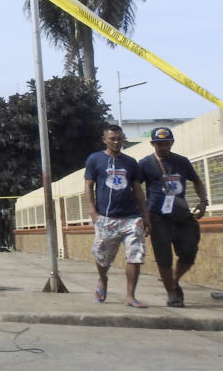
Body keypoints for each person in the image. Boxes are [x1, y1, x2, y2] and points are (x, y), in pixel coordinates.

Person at [138, 127, 209, 307]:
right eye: (160, 143)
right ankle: (172, 293)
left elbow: (197, 181)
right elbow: (135, 188)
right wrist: (142, 215)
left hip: (181, 216)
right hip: (158, 217)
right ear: (153, 143)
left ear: (172, 143)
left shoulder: (182, 162)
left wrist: (203, 202)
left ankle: (174, 281)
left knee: (189, 252)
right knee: (164, 258)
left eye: (167, 143)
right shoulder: (145, 164)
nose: (164, 147)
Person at [85, 124, 151, 308]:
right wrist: (93, 211)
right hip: (106, 218)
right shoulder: (95, 159)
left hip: (131, 218)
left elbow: (138, 190)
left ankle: (130, 295)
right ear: (104, 139)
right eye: (112, 138)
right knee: (102, 257)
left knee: (135, 256)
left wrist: (145, 215)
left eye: (119, 138)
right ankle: (103, 279)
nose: (116, 142)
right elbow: (89, 186)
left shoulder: (130, 162)